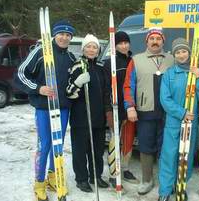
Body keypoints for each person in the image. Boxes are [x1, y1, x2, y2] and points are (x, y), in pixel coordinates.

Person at [15, 20, 76, 201]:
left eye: (68, 35)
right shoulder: (41, 52)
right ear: (54, 35)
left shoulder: (71, 58)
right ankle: (39, 182)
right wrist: (38, 88)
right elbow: (20, 73)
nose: (64, 38)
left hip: (63, 108)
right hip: (43, 108)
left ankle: (52, 176)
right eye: (61, 34)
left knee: (58, 145)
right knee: (45, 145)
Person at [123, 27, 174, 195]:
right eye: (151, 38)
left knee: (166, 147)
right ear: (146, 41)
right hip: (145, 111)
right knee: (145, 146)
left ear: (163, 41)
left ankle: (165, 181)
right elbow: (128, 85)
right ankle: (147, 180)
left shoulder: (172, 59)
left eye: (158, 39)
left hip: (168, 113)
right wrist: (130, 106)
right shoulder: (136, 60)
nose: (155, 41)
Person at [158, 38, 199, 201]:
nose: (181, 55)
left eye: (184, 51)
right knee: (169, 156)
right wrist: (182, 112)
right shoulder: (169, 74)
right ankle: (165, 190)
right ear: (174, 55)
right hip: (174, 121)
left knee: (186, 157)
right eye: (178, 52)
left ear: (189, 53)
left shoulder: (195, 73)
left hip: (190, 122)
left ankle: (180, 187)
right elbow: (165, 99)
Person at [66, 34, 111, 192]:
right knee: (80, 149)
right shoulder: (76, 66)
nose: (92, 50)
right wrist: (78, 82)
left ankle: (96, 176)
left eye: (95, 47)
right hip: (81, 117)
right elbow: (69, 92)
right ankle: (81, 178)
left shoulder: (100, 68)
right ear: (83, 49)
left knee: (97, 150)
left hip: (98, 117)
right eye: (89, 47)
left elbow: (105, 91)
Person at [103, 31, 139, 187]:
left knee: (128, 139)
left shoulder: (134, 61)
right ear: (115, 45)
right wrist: (108, 110)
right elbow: (105, 89)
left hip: (130, 107)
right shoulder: (108, 63)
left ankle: (124, 168)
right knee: (114, 140)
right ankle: (113, 172)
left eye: (126, 43)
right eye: (120, 43)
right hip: (115, 107)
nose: (124, 46)